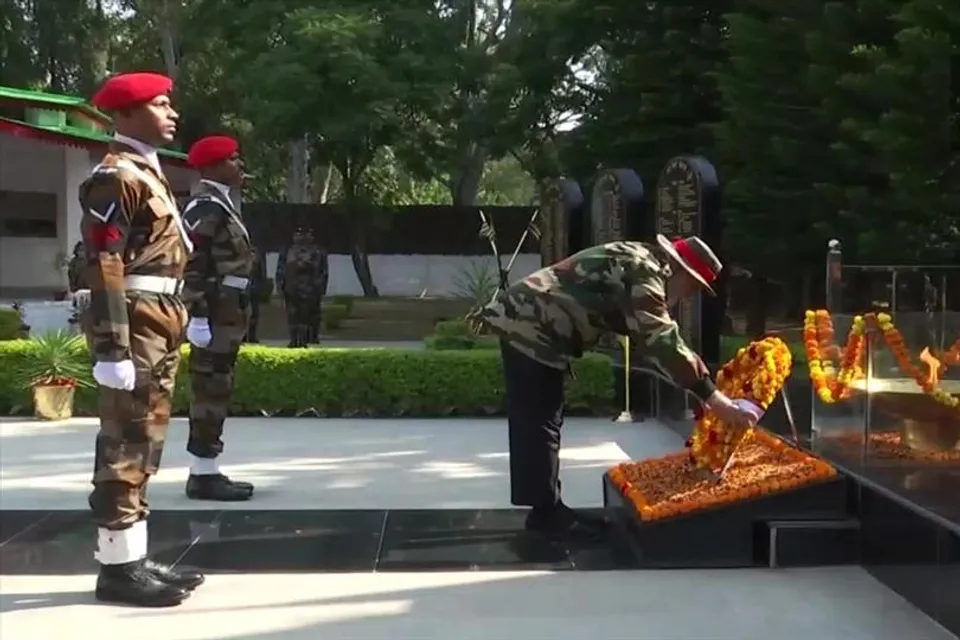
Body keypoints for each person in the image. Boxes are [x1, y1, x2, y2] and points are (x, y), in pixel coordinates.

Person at [470, 234, 759, 539]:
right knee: (540, 420)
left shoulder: (641, 261)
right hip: (531, 324)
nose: (689, 295)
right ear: (680, 270)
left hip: (532, 322)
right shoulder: (644, 270)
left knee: (540, 419)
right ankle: (546, 515)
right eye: (693, 286)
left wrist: (696, 385)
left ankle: (546, 510)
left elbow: (647, 336)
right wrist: (716, 400)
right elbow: (660, 338)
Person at [80, 71, 203, 607]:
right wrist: (112, 347)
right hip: (134, 316)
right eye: (159, 104)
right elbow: (102, 260)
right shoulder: (114, 177)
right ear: (126, 115)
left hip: (161, 313)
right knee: (125, 441)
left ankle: (131, 556)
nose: (171, 112)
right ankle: (116, 568)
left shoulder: (148, 172)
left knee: (146, 438)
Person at [181, 135, 256, 502]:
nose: (240, 165)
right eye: (233, 159)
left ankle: (207, 469)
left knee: (219, 386)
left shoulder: (221, 204)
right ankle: (203, 474)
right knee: (209, 388)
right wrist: (197, 314)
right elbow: (192, 265)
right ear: (211, 167)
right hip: (213, 308)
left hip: (228, 307)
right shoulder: (204, 208)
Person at [276, 227, 327, 347]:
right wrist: (280, 285)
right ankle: (294, 340)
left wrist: (319, 287)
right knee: (293, 315)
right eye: (299, 233)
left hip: (309, 288)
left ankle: (307, 339)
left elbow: (323, 271)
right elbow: (281, 269)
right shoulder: (287, 251)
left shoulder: (318, 252)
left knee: (307, 316)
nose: (302, 237)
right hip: (292, 288)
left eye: (306, 234)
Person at [246, 245, 266, 343]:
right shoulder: (242, 256)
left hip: (253, 288)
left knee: (254, 314)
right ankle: (244, 336)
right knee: (243, 313)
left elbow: (261, 274)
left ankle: (252, 336)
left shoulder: (257, 258)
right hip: (244, 287)